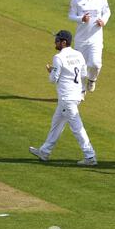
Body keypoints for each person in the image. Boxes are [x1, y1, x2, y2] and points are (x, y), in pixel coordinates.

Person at [29, 30, 97, 166]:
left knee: (77, 127)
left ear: (64, 42)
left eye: (57, 40)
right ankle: (45, 151)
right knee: (57, 123)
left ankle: (90, 156)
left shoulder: (58, 58)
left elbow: (53, 79)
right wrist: (82, 92)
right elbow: (84, 74)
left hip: (67, 98)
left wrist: (51, 71)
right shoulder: (78, 54)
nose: (55, 42)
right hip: (75, 96)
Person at [68, 0, 111, 96]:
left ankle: (92, 80)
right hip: (81, 39)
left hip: (95, 39)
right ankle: (81, 91)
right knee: (81, 67)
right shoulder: (76, 0)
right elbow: (70, 16)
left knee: (96, 64)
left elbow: (107, 12)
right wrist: (81, 18)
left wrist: (103, 21)